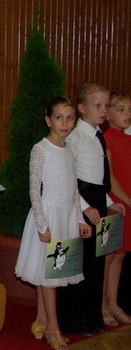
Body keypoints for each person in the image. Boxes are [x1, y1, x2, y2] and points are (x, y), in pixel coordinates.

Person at [14, 97, 92, 350]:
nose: (65, 123)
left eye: (70, 118)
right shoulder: (41, 149)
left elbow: (72, 189)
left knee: (48, 273)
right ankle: (53, 329)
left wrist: (79, 219)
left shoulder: (70, 149)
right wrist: (42, 224)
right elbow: (34, 190)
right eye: (59, 118)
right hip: (48, 216)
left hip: (66, 217)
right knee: (49, 277)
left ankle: (41, 319)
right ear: (48, 120)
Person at [58, 83, 125, 336]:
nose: (104, 110)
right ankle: (73, 320)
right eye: (97, 106)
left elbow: (99, 177)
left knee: (96, 262)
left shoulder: (97, 135)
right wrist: (84, 208)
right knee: (81, 262)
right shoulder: (76, 137)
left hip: (96, 198)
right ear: (82, 108)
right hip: (81, 201)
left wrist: (107, 201)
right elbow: (71, 178)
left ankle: (91, 317)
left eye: (106, 106)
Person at [102, 92, 131, 325]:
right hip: (115, 203)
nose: (127, 114)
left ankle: (114, 303)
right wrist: (128, 200)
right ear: (108, 113)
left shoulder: (128, 139)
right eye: (121, 109)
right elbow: (110, 178)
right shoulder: (106, 139)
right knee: (108, 255)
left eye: (129, 110)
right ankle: (101, 305)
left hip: (127, 204)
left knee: (120, 254)